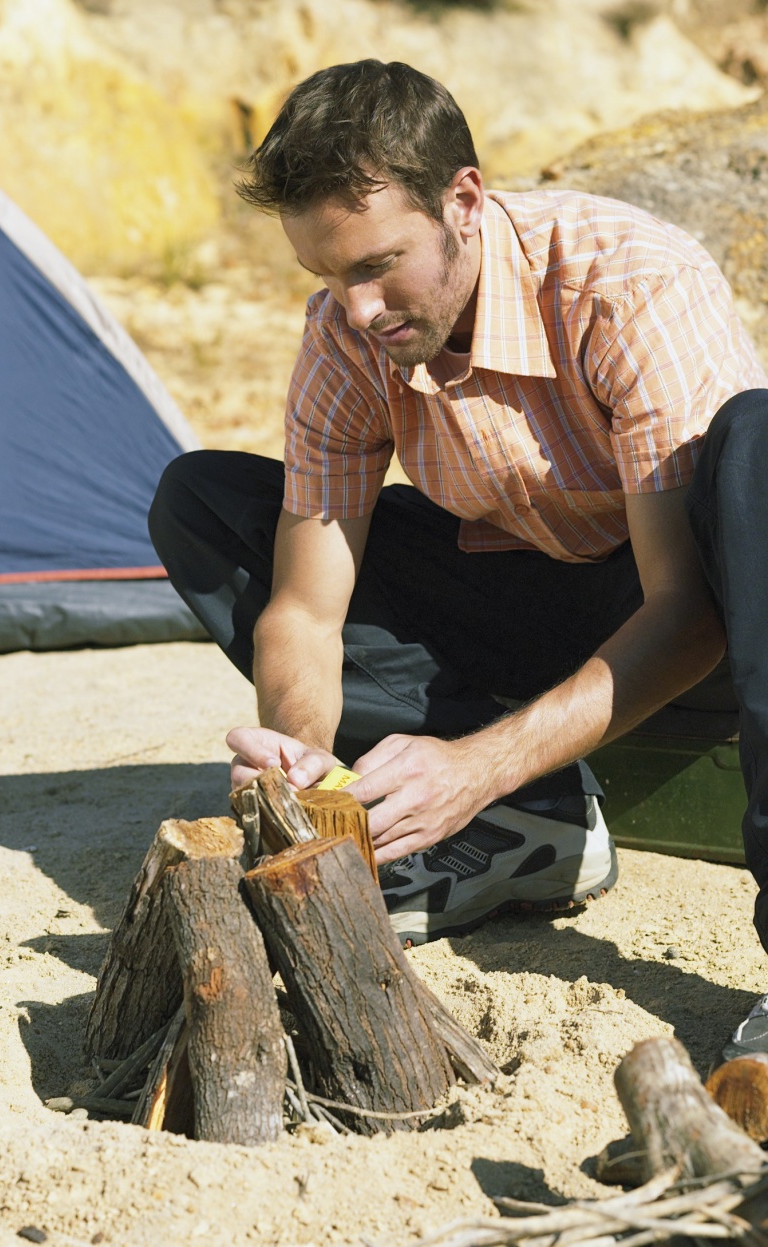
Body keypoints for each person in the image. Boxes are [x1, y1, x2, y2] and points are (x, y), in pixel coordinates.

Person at [149, 60, 768, 969]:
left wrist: (475, 765)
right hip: (535, 602)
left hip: (707, 625)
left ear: (465, 201)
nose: (355, 309)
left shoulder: (627, 281)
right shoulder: (347, 330)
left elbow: (685, 616)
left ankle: (505, 786)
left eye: (376, 266)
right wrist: (298, 766)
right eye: (324, 275)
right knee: (204, 503)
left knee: (760, 443)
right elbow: (308, 612)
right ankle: (539, 815)